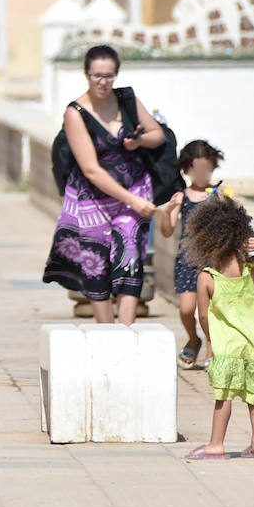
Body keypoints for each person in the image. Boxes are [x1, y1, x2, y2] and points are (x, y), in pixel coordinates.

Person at [42, 45, 164, 324]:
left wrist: (140, 141)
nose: (103, 81)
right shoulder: (75, 112)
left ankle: (127, 332)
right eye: (97, 75)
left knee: (130, 257)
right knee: (96, 264)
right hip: (93, 198)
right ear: (87, 74)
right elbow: (90, 169)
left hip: (134, 185)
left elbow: (158, 134)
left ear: (116, 75)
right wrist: (133, 201)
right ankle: (105, 333)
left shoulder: (127, 100)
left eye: (108, 75)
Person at [183, 195, 254, 460]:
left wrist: (209, 342)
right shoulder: (249, 267)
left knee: (224, 396)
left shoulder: (207, 277)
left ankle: (216, 445)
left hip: (227, 344)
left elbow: (204, 317)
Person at [158, 139, 227, 370]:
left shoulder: (218, 194)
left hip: (212, 261)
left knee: (208, 312)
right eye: (196, 168)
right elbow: (167, 232)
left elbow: (232, 222)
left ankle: (211, 346)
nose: (201, 174)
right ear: (187, 169)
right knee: (187, 309)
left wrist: (227, 204)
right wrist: (168, 211)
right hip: (187, 260)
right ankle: (193, 339)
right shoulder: (182, 196)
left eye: (206, 168)